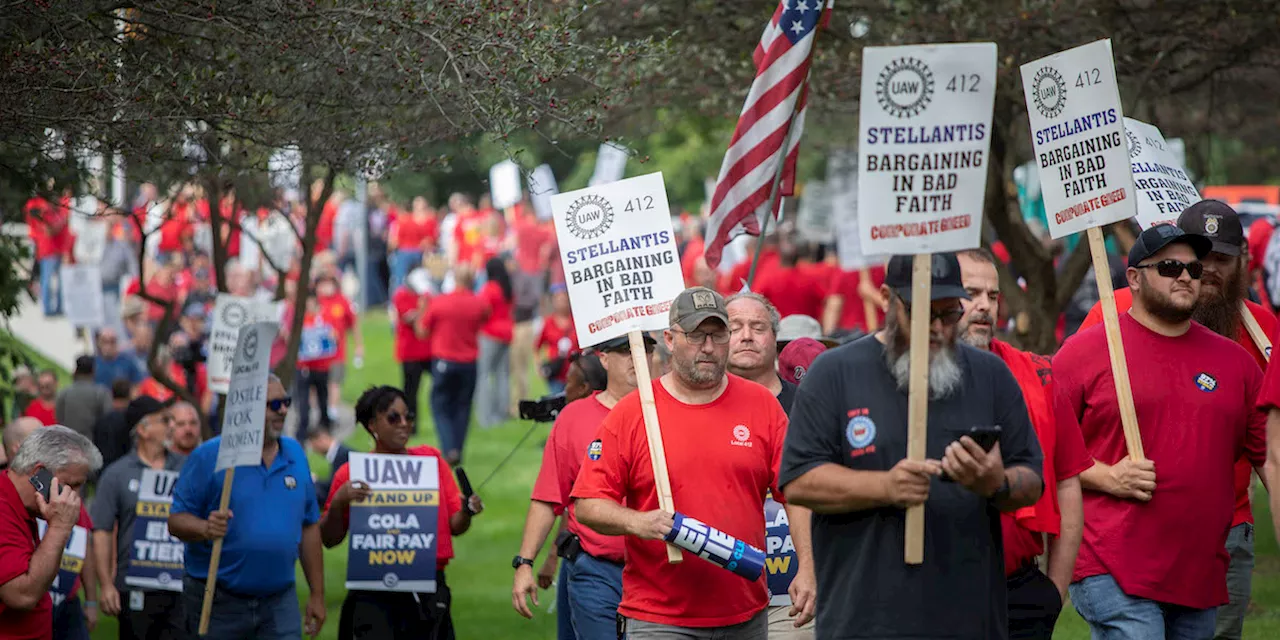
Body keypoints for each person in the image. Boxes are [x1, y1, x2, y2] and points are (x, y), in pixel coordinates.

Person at [779, 252, 1045, 639]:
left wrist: (995, 483)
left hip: (969, 619)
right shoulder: (834, 373)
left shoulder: (990, 376)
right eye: (923, 313)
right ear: (887, 299)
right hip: (863, 620)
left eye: (949, 313)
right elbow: (799, 481)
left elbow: (1032, 477)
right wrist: (884, 487)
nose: (936, 327)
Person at [1055, 224, 1269, 639]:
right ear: (1133, 278)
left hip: (1198, 572)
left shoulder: (1234, 362)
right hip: (1112, 563)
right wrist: (1106, 476)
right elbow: (1041, 446)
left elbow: (1269, 457)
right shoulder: (1086, 352)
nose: (1187, 275)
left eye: (1193, 267)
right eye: (1170, 267)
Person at [572, 287, 791, 637]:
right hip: (660, 618)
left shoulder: (761, 405)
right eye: (696, 335)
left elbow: (794, 491)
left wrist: (808, 567)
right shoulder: (633, 412)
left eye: (718, 334)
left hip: (745, 613)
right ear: (670, 339)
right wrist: (639, 522)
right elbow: (587, 504)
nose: (708, 346)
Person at [956, 248, 1091, 639]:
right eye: (971, 293)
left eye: (993, 296)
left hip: (1020, 589)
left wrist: (1055, 590)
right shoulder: (909, 378)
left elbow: (1068, 480)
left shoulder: (1039, 375)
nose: (984, 306)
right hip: (935, 587)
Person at [512, 335, 652, 638]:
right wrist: (525, 563)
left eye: (645, 348)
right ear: (604, 357)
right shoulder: (573, 418)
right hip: (596, 570)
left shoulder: (668, 413)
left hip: (659, 570)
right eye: (626, 350)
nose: (637, 357)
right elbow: (549, 498)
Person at [168, 375, 326, 639]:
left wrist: (317, 594)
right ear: (247, 409)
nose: (284, 410)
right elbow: (176, 520)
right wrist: (206, 528)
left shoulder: (295, 454)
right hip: (219, 602)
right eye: (273, 405)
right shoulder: (209, 457)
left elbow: (309, 525)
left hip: (279, 602)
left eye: (285, 402)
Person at [320, 385, 483, 640]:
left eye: (409, 417)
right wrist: (340, 502)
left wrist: (466, 512)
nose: (404, 424)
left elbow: (455, 525)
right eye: (394, 418)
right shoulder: (351, 474)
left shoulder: (431, 462)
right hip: (374, 594)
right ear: (372, 424)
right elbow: (329, 539)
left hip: (428, 589)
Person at [725, 292, 817, 637]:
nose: (746, 335)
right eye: (735, 327)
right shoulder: (702, 407)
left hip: (795, 597)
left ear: (775, 339)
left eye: (758, 327)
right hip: (722, 594)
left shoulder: (810, 406)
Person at [90, 396, 188, 640]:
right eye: (165, 420)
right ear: (143, 430)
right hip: (134, 586)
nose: (172, 426)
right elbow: (101, 531)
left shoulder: (186, 468)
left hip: (181, 585)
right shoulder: (116, 474)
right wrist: (106, 584)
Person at [0, 425, 102, 638]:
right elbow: (22, 595)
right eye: (71, 485)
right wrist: (59, 528)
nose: (75, 498)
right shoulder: (3, 507)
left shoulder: (22, 506)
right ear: (39, 475)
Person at [422, 266, 490, 464]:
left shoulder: (440, 302)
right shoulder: (478, 303)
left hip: (444, 360)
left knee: (440, 405)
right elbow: (485, 317)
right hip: (469, 362)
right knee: (463, 407)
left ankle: (449, 447)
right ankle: (457, 448)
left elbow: (423, 330)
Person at [392, 268, 433, 435]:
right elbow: (409, 317)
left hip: (428, 350)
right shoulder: (401, 295)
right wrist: (423, 308)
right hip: (410, 352)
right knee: (410, 392)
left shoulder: (427, 294)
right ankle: (410, 425)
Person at [476, 257, 514, 428]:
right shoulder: (507, 288)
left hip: (490, 333)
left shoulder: (489, 288)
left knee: (483, 375)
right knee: (502, 376)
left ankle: (486, 417)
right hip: (506, 332)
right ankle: (501, 413)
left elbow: (481, 310)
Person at [56, 357, 113, 442]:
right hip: (93, 445)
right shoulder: (101, 393)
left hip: (68, 444)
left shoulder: (64, 393)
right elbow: (108, 421)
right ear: (93, 371)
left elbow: (59, 419)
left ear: (76, 371)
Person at [536, 286, 578, 395]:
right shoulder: (548, 323)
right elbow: (537, 347)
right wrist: (539, 366)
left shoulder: (577, 322)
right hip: (556, 374)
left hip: (576, 373)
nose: (562, 303)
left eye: (564, 299)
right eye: (558, 300)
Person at [92, 380, 135, 471]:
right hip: (123, 469)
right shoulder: (130, 422)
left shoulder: (101, 420)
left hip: (103, 469)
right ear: (129, 395)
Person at [305, 428, 351, 510]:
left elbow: (334, 485)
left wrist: (315, 480)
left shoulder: (342, 454)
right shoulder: (339, 453)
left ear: (321, 439)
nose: (315, 451)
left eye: (314, 446)